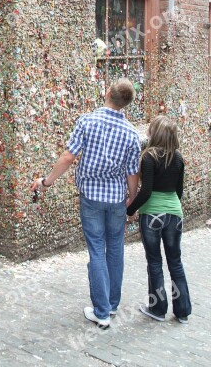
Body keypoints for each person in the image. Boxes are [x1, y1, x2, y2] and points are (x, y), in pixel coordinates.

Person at [31, 78, 140, 329]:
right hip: (115, 199)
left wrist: (46, 182)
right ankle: (111, 305)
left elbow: (69, 157)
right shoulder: (132, 134)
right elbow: (132, 173)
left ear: (108, 92)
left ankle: (101, 311)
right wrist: (131, 200)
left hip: (91, 197)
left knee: (97, 250)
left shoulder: (87, 122)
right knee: (115, 249)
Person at [126, 115, 192, 324]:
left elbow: (145, 191)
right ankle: (182, 311)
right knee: (175, 262)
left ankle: (158, 308)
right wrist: (169, 206)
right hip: (174, 214)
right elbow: (179, 191)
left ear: (156, 133)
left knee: (155, 262)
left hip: (152, 214)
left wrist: (130, 210)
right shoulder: (179, 158)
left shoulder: (148, 157)